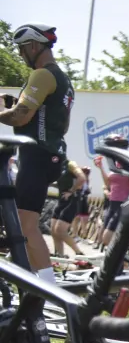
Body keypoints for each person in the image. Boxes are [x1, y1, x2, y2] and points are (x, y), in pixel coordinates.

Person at [1, 24, 74, 279]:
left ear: (33, 46)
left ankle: (47, 287)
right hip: (48, 155)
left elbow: (20, 117)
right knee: (19, 224)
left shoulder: (42, 75)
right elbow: (61, 123)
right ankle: (30, 280)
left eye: (22, 49)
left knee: (26, 226)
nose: (21, 54)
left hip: (37, 155)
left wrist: (4, 112)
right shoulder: (63, 79)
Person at [94, 134, 129, 250]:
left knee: (107, 238)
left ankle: (122, 256)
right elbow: (108, 183)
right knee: (103, 236)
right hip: (113, 203)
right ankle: (118, 256)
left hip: (123, 203)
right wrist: (101, 167)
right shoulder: (115, 166)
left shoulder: (128, 164)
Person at [50, 161, 88, 257]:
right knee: (53, 231)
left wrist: (71, 191)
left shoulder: (70, 164)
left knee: (59, 230)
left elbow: (82, 178)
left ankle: (79, 253)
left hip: (72, 200)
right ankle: (60, 256)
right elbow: (61, 183)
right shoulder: (57, 167)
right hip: (61, 200)